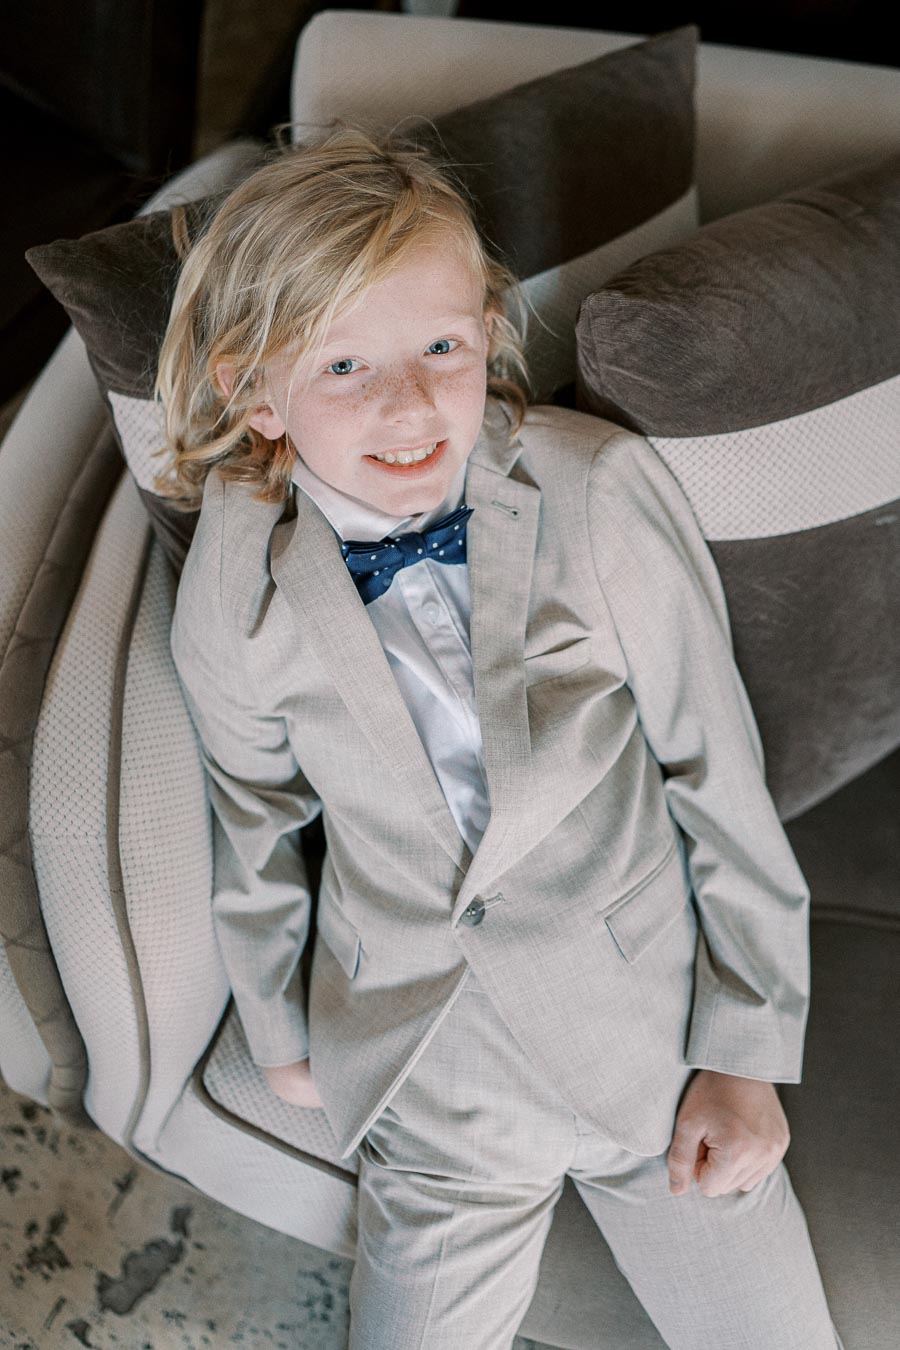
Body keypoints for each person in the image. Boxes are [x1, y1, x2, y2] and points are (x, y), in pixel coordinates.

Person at [158, 123, 843, 1349]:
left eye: (440, 346)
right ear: (254, 392)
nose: (411, 403)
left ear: (487, 330)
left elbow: (714, 767)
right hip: (432, 1079)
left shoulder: (595, 490)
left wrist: (746, 1053)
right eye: (344, 366)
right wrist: (280, 1025)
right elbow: (254, 811)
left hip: (652, 1046)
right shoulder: (238, 586)